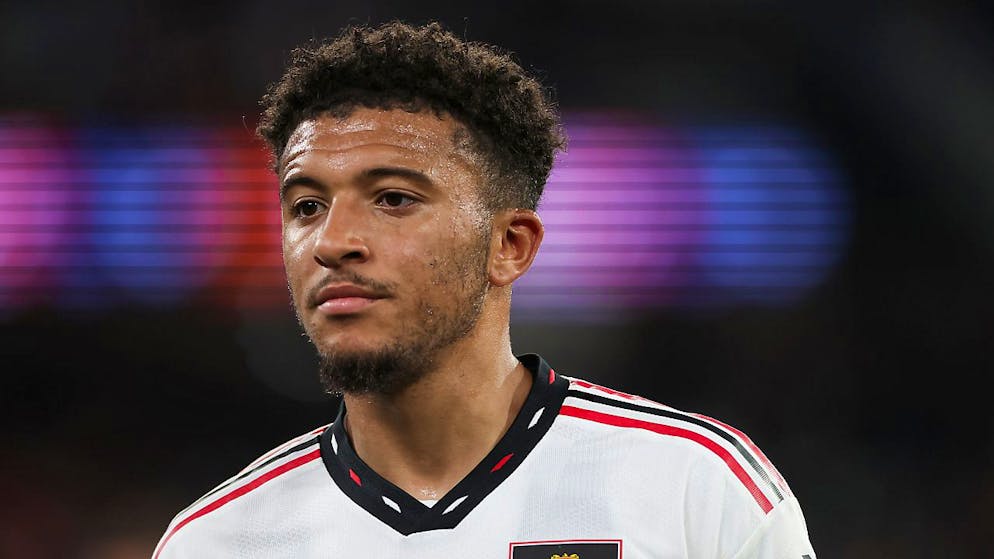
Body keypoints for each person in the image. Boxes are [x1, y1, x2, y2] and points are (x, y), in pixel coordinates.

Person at [152, 21, 816, 559]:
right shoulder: (215, 542)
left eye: (393, 198)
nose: (332, 241)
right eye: (306, 206)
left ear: (509, 246)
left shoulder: (697, 492)